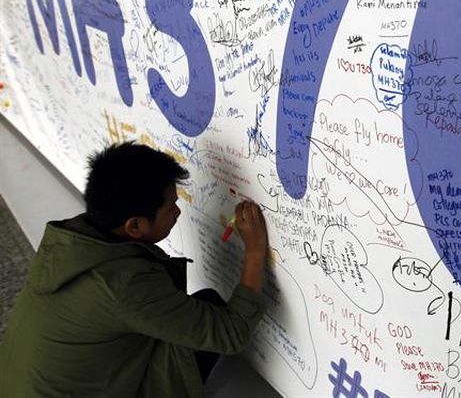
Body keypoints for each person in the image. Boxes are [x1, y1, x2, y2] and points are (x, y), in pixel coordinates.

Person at [0, 141, 269, 397]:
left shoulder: (72, 242)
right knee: (210, 310)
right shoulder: (122, 284)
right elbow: (231, 332)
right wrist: (255, 251)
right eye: (170, 207)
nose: (177, 213)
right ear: (135, 226)